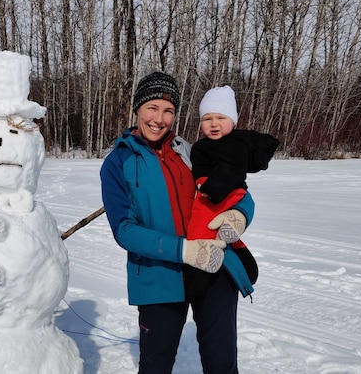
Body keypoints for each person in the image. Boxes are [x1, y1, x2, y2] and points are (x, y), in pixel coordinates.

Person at [100, 72, 255, 374]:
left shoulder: (191, 152)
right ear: (138, 109)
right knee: (155, 366)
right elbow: (124, 231)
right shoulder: (117, 163)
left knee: (222, 364)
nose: (159, 119)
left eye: (168, 111)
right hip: (158, 277)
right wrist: (184, 251)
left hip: (214, 266)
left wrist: (240, 214)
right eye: (152, 108)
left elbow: (237, 191)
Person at [184, 85, 279, 300]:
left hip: (218, 194)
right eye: (207, 119)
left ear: (233, 121)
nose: (214, 124)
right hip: (229, 194)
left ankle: (197, 274)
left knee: (200, 231)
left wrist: (207, 186)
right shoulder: (204, 146)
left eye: (220, 117)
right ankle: (241, 254)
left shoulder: (233, 145)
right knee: (223, 231)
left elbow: (232, 169)